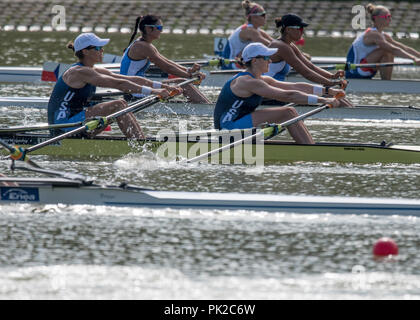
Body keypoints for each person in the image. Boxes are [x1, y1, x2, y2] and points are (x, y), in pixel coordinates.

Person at [47, 33, 176, 139]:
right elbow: (118, 84)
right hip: (62, 128)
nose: (102, 50)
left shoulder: (92, 69)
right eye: (98, 48)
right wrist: (153, 92)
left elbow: (126, 79)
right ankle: (140, 143)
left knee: (122, 105)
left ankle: (140, 140)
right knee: (117, 105)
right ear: (85, 51)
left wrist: (163, 86)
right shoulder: (79, 72)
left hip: (77, 121)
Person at [214, 43, 344, 145]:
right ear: (254, 61)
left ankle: (310, 146)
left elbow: (295, 86)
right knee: (288, 112)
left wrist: (328, 91)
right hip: (228, 129)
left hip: (239, 123)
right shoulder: (246, 81)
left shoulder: (261, 79)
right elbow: (288, 96)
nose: (270, 61)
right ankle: (311, 151)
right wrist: (323, 101)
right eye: (266, 58)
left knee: (289, 112)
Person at [120, 15, 209, 103]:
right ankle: (207, 108)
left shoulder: (146, 44)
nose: (161, 31)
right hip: (133, 94)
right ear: (148, 29)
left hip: (140, 88)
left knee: (183, 82)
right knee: (184, 83)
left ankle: (206, 105)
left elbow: (167, 62)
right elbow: (167, 67)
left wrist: (189, 71)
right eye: (159, 27)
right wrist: (189, 76)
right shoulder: (142, 46)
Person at [267, 14, 348, 89]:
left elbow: (310, 66)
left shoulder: (289, 45)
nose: (302, 32)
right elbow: (305, 72)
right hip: (267, 92)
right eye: (300, 28)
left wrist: (332, 77)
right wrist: (330, 83)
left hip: (276, 89)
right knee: (332, 96)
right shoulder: (281, 46)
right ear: (288, 29)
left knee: (333, 97)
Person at [346, 3, 420, 80]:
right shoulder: (373, 34)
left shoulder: (384, 35)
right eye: (387, 17)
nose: (390, 19)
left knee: (389, 50)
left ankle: (387, 83)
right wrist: (414, 59)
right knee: (387, 50)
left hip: (365, 69)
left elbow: (403, 48)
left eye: (390, 16)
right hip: (354, 71)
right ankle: (387, 84)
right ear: (376, 18)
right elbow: (393, 49)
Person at [221, 0, 272, 69]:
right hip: (231, 65)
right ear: (253, 17)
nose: (265, 17)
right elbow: (270, 45)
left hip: (241, 62)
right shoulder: (249, 31)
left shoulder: (257, 30)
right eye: (263, 15)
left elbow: (274, 43)